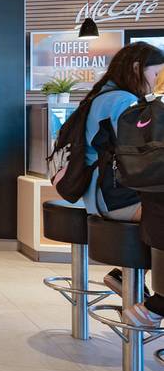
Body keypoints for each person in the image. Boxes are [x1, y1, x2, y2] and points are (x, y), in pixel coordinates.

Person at [69, 43, 164, 327]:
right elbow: (140, 156)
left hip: (100, 195)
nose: (157, 81)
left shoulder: (106, 96)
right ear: (137, 68)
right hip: (114, 198)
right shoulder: (123, 102)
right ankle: (156, 304)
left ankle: (130, 277)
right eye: (156, 74)